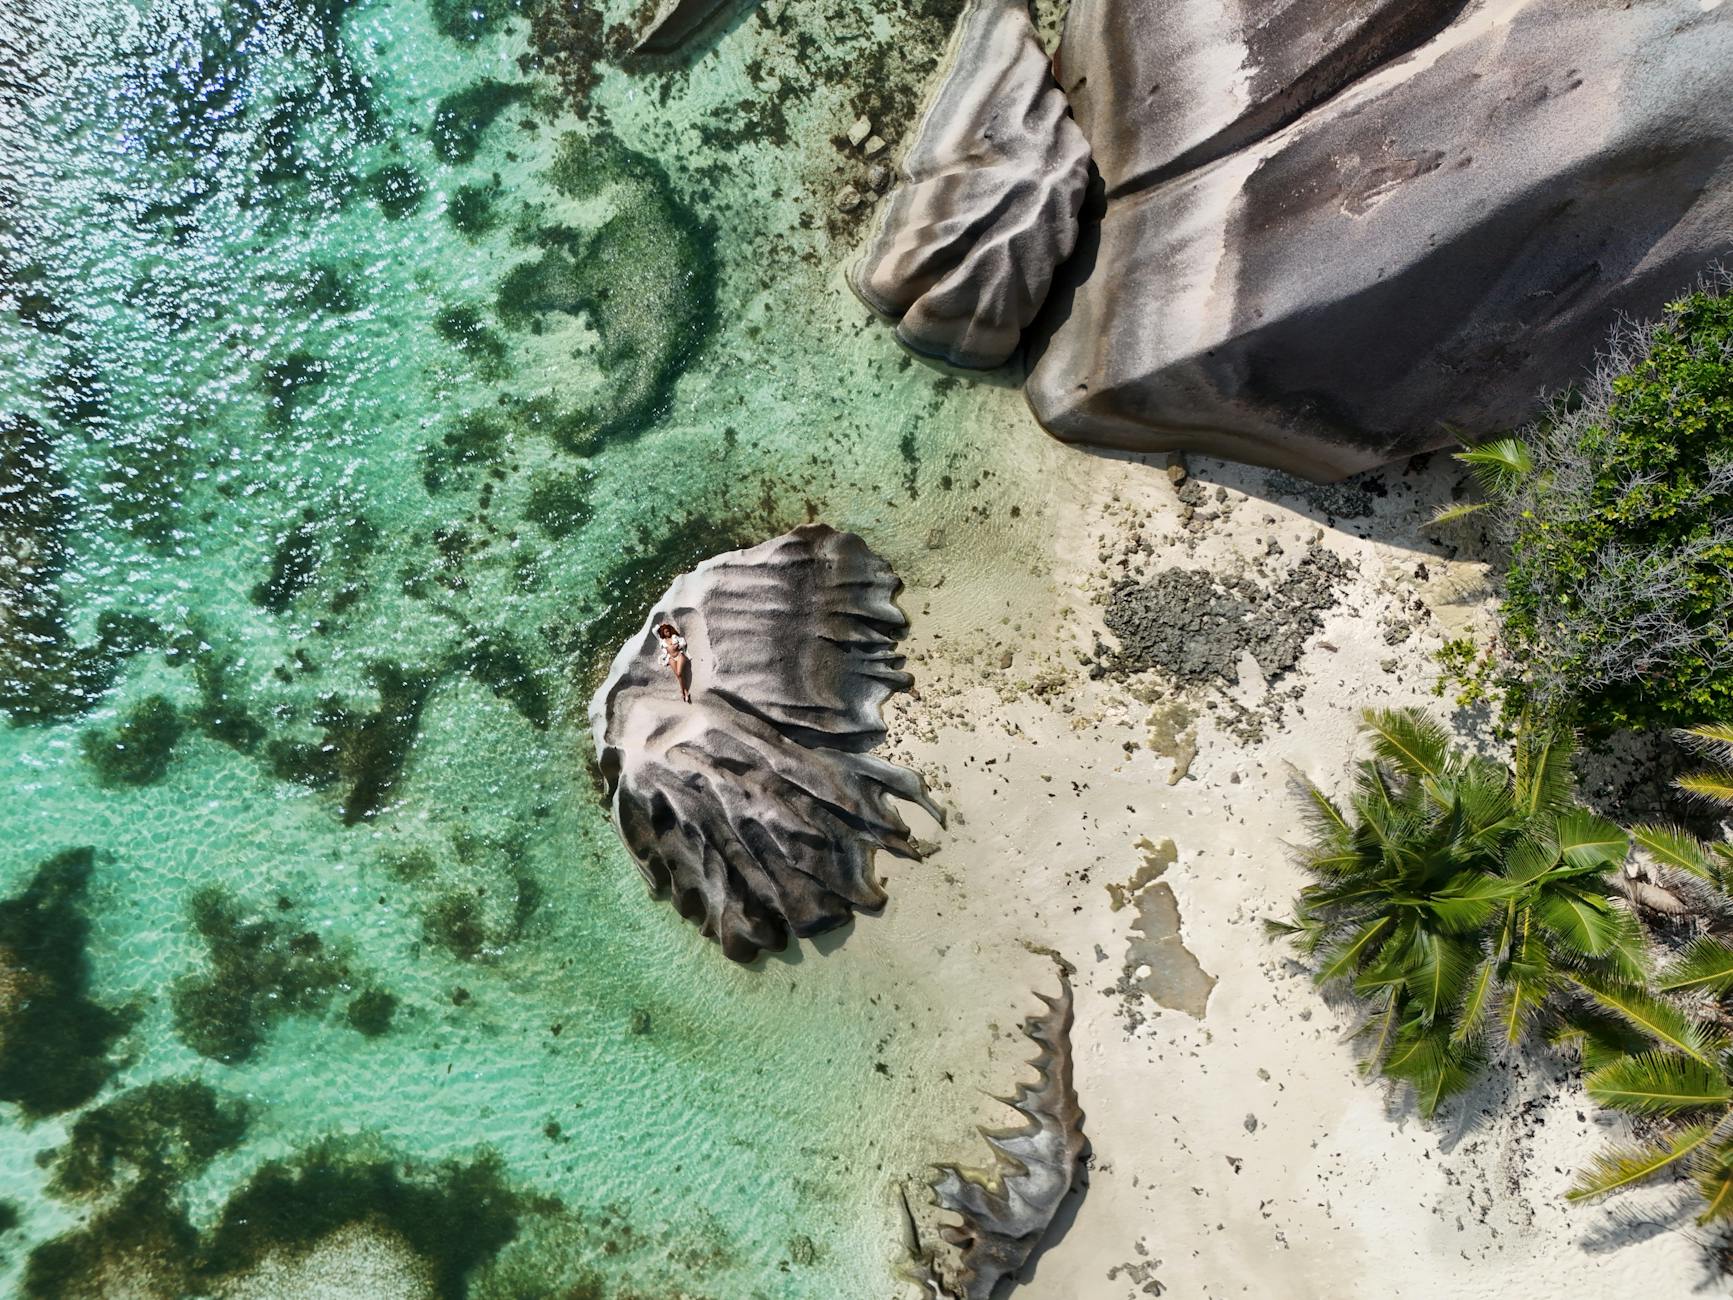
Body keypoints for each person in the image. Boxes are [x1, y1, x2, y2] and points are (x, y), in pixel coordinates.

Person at [656, 622, 691, 703]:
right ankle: (685, 692)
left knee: (679, 673)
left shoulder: (674, 636)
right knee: (678, 676)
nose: (668, 632)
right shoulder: (663, 641)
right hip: (671, 658)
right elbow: (655, 631)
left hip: (679, 655)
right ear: (663, 634)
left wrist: (678, 646)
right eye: (666, 632)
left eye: (668, 631)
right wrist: (660, 626)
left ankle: (682, 692)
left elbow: (683, 642)